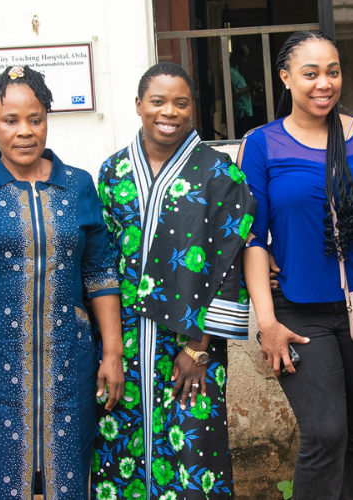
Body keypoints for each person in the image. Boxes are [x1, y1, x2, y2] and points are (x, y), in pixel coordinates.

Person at [0, 65, 124, 499]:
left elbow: (100, 276)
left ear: (47, 121)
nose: (24, 131)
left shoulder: (77, 186)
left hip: (67, 366)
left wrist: (111, 353)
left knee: (68, 479)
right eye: (10, 120)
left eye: (35, 119)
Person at [241, 30, 353, 500]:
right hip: (297, 310)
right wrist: (266, 322)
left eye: (332, 72)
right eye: (310, 73)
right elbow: (253, 239)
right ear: (286, 77)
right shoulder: (263, 144)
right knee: (325, 432)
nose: (323, 83)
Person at [90, 62, 256, 500]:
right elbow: (102, 263)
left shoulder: (221, 174)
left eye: (181, 103)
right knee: (118, 443)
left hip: (188, 343)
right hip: (120, 339)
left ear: (193, 111)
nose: (169, 112)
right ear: (139, 105)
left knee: (193, 450)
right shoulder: (112, 172)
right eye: (158, 101)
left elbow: (229, 265)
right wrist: (107, 346)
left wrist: (197, 349)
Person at [230, 42, 261, 138]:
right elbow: (231, 95)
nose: (245, 60)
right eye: (244, 57)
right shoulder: (229, 71)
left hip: (246, 110)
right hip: (239, 113)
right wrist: (249, 87)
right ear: (237, 54)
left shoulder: (237, 69)